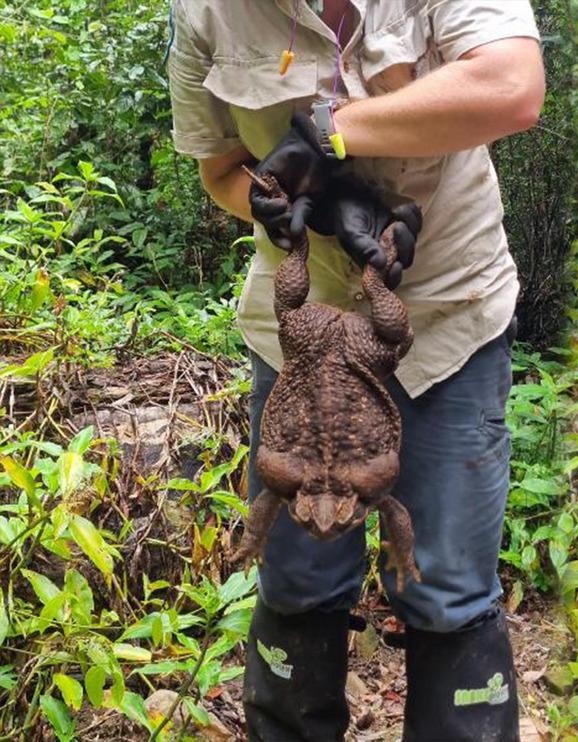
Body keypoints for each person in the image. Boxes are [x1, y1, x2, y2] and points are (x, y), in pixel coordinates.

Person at [166, 1, 545, 739]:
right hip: (302, 341)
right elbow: (220, 170)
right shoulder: (204, 10)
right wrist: (281, 204)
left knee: (447, 588)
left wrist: (327, 137)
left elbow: (512, 86)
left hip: (446, 317)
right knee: (300, 582)